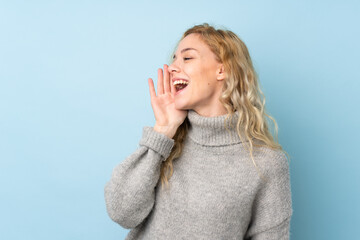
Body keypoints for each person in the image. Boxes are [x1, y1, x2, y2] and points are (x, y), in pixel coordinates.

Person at [104, 23, 293, 239]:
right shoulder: (167, 142)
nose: (173, 67)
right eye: (174, 59)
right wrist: (162, 132)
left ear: (222, 70)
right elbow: (121, 212)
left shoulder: (266, 163)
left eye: (187, 58)